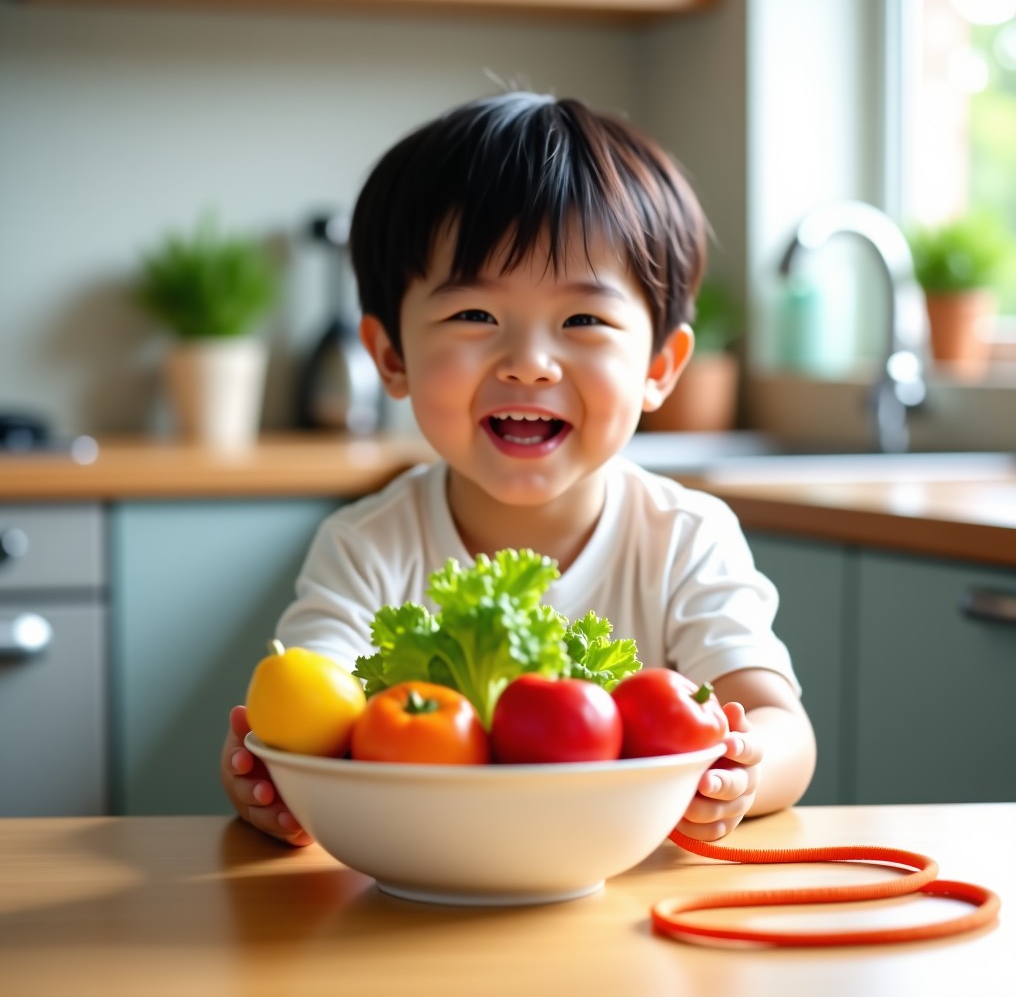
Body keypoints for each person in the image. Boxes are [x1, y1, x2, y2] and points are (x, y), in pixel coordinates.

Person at [220, 91, 816, 847]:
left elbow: (779, 723)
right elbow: (301, 717)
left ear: (660, 366)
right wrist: (267, 779)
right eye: (474, 316)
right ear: (392, 357)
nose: (530, 365)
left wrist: (744, 773)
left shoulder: (686, 538)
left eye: (583, 321)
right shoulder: (366, 545)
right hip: (415, 899)